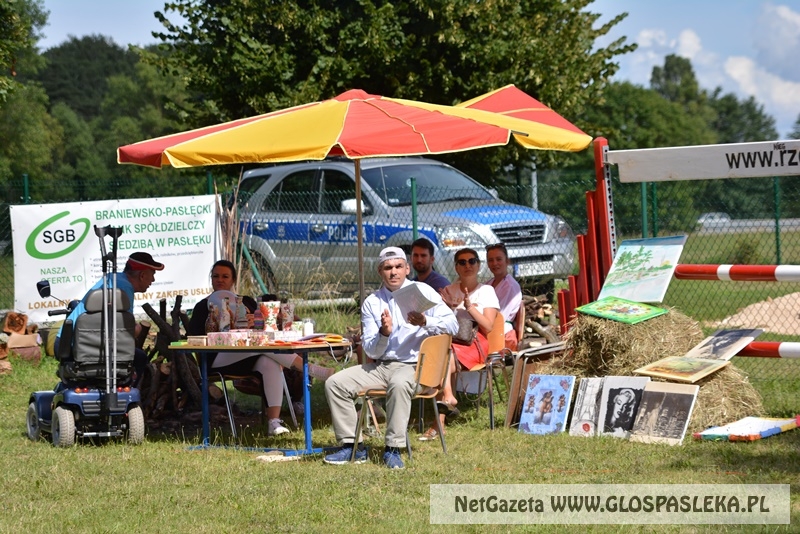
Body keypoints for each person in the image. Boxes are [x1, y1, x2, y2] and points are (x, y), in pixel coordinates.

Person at [323, 246, 458, 469]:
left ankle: (393, 449)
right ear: (380, 272)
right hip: (383, 365)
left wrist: (426, 322)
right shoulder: (372, 302)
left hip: (419, 366)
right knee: (335, 383)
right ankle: (352, 446)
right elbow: (372, 351)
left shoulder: (423, 291)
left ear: (407, 269)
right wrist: (384, 334)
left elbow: (452, 325)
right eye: (387, 268)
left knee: (398, 383)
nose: (393, 272)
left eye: (398, 267)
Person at [187, 260, 333, 437]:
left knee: (268, 362)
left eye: (225, 276)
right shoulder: (202, 307)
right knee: (263, 347)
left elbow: (265, 327)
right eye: (216, 276)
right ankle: (309, 368)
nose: (220, 280)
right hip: (216, 359)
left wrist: (254, 322)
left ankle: (273, 422)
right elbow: (193, 340)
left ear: (233, 280)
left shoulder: (246, 302)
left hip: (249, 355)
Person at [419, 247, 499, 441]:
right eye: (462, 262)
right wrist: (448, 307)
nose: (467, 265)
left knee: (439, 360)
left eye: (472, 261)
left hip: (475, 343)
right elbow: (440, 321)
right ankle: (447, 400)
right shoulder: (450, 290)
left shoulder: (486, 291)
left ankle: (438, 422)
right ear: (456, 267)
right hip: (451, 343)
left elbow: (488, 327)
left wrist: (469, 307)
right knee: (440, 354)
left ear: (479, 265)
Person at [55, 251, 164, 379]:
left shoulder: (113, 279)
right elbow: (128, 330)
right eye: (153, 274)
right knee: (139, 358)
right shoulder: (123, 287)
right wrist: (137, 330)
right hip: (79, 348)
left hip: (65, 343)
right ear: (142, 275)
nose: (153, 280)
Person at [485, 243, 522, 351]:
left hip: (500, 332)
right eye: (490, 260)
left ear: (507, 261)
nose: (494, 263)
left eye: (499, 259)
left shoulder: (510, 286)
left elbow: (498, 317)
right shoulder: (489, 283)